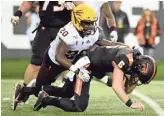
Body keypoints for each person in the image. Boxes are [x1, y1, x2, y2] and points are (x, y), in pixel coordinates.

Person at [11, 4, 125, 111]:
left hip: (72, 59)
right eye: (86, 23)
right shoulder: (69, 32)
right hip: (53, 62)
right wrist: (76, 69)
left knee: (67, 92)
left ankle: (102, 78)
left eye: (92, 23)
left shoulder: (93, 30)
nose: (90, 26)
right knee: (40, 88)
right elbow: (59, 56)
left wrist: (123, 46)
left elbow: (101, 42)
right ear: (76, 20)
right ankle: (23, 90)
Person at [33, 45, 157, 112]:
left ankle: (33, 90)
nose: (136, 78)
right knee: (79, 106)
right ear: (139, 65)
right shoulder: (125, 59)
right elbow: (116, 86)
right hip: (86, 66)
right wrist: (130, 103)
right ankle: (45, 99)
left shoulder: (133, 55)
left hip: (95, 67)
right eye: (139, 76)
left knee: (66, 91)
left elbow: (111, 46)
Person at [11, 1, 83, 87]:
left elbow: (82, 5)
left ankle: (64, 89)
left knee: (67, 61)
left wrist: (74, 7)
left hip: (66, 29)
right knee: (37, 61)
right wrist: (18, 14)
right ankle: (23, 91)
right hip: (45, 28)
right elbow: (28, 2)